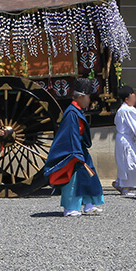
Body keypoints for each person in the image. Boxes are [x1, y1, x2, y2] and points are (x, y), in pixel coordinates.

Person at [44, 78, 105, 216]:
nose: (89, 100)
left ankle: (89, 204)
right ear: (80, 97)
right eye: (88, 97)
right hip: (73, 149)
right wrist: (76, 153)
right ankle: (70, 207)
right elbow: (70, 135)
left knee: (89, 175)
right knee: (74, 179)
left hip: (80, 147)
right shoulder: (72, 113)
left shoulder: (76, 111)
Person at [112, 85, 136, 196]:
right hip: (125, 140)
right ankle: (124, 187)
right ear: (127, 99)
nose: (135, 99)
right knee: (128, 163)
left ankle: (121, 183)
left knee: (131, 162)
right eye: (133, 97)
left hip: (127, 139)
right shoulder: (125, 110)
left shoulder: (128, 109)